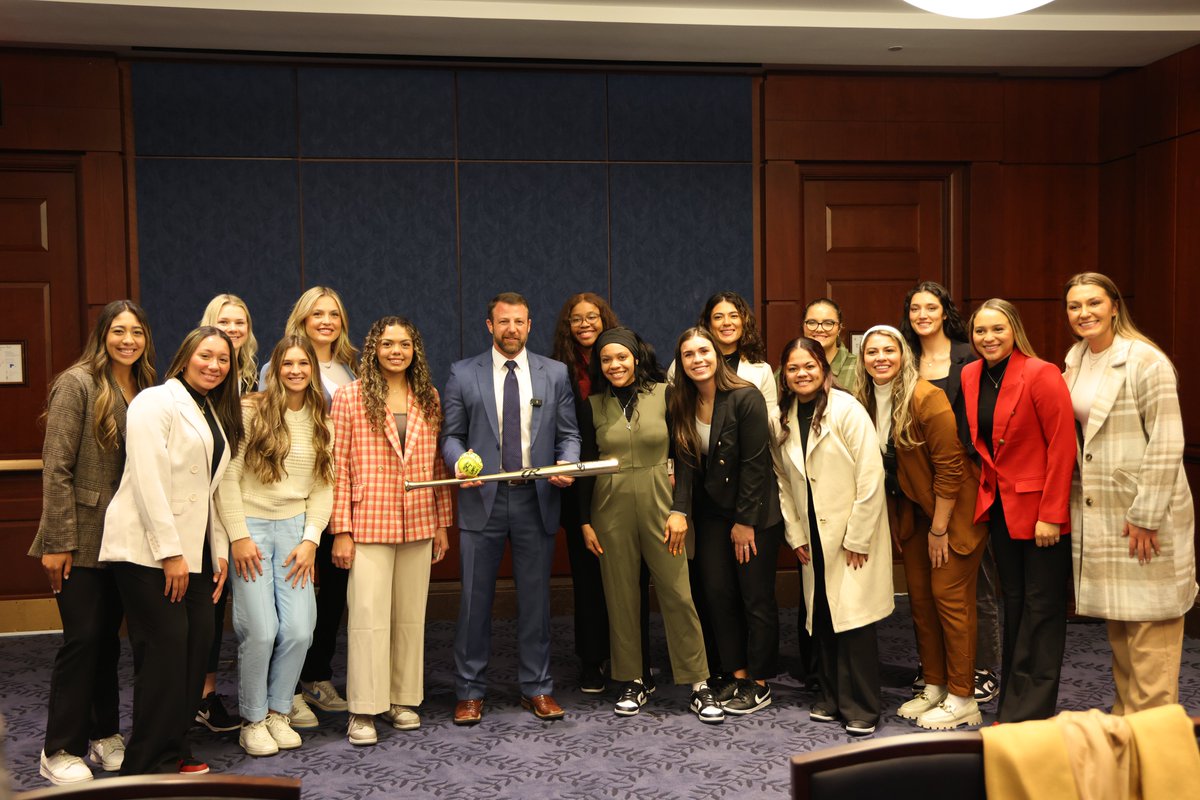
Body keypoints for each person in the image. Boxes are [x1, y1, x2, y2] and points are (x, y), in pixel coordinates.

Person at [99, 326, 243, 775]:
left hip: (195, 553)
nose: (214, 365)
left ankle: (174, 747)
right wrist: (170, 554)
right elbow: (148, 481)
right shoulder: (154, 401)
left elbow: (209, 491)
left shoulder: (210, 410)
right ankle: (145, 763)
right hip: (147, 551)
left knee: (197, 645)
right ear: (184, 357)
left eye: (223, 359)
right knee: (164, 652)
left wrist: (219, 550)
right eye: (206, 355)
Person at [30, 300, 156, 785]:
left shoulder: (146, 386)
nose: (128, 340)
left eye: (137, 332)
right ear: (102, 335)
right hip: (80, 537)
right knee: (82, 640)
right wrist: (57, 541)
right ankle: (59, 747)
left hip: (127, 539)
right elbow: (56, 467)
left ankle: (105, 735)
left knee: (107, 641)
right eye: (119, 331)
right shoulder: (77, 383)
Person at [441, 292, 581, 725]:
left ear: (530, 324)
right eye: (503, 321)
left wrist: (567, 462)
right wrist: (458, 463)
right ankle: (469, 691)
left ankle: (537, 686)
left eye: (519, 321)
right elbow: (451, 436)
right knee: (473, 602)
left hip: (535, 499)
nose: (511, 329)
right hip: (481, 497)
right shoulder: (463, 373)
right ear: (490, 326)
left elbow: (569, 435)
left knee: (536, 601)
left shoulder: (554, 373)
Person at [1062, 273, 1196, 714]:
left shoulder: (1145, 360)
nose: (1084, 313)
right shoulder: (1076, 358)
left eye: (1093, 303)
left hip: (1143, 516)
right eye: (1075, 306)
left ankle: (1155, 743)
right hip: (1103, 513)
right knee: (1122, 634)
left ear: (1115, 306)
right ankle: (1127, 729)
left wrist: (1146, 516)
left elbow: (1167, 441)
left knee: (1151, 633)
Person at [576, 328, 722, 723]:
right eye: (606, 359)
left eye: (621, 357)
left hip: (662, 506)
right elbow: (586, 466)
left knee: (678, 593)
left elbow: (686, 456)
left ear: (636, 358)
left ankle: (699, 683)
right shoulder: (592, 406)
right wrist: (585, 520)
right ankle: (634, 679)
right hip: (609, 509)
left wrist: (680, 510)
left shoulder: (666, 394)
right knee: (621, 596)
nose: (615, 365)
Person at [853, 325, 988, 730]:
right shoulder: (863, 400)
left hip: (951, 513)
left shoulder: (926, 397)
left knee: (950, 599)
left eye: (888, 350)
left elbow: (950, 468)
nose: (880, 358)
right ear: (862, 359)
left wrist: (940, 529)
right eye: (872, 351)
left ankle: (963, 696)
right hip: (914, 514)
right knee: (922, 602)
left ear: (903, 355)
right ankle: (935, 685)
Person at [330, 317, 452, 745]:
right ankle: (364, 708)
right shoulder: (349, 396)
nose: (396, 351)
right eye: (387, 343)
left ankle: (402, 699)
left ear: (415, 350)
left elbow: (438, 464)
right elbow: (336, 465)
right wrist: (341, 529)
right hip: (368, 520)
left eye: (404, 344)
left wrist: (441, 522)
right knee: (367, 618)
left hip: (418, 519)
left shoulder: (428, 396)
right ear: (373, 348)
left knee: (409, 617)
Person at [217, 335, 333, 756]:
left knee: (300, 629)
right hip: (250, 528)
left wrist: (311, 539)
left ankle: (278, 712)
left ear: (313, 370)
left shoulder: (322, 419)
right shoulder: (250, 411)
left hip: (295, 532)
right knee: (261, 630)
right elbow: (227, 477)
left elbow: (324, 487)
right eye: (288, 363)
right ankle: (253, 719)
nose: (296, 371)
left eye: (303, 363)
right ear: (275, 369)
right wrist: (238, 535)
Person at [961, 299, 1074, 723]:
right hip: (999, 509)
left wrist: (1052, 513)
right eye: (980, 331)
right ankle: (1012, 704)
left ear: (1014, 331)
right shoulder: (971, 374)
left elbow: (1062, 446)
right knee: (1015, 605)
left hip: (1041, 511)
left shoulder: (1041, 373)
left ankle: (1033, 710)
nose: (988, 338)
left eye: (998, 329)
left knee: (1042, 610)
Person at [774, 337, 892, 736]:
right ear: (785, 376)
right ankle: (830, 697)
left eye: (809, 366)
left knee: (853, 621)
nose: (802, 374)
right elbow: (781, 481)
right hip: (811, 532)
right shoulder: (783, 416)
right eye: (793, 368)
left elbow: (871, 477)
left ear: (824, 369)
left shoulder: (848, 409)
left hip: (849, 533)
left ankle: (862, 706)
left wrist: (858, 537)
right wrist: (794, 533)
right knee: (822, 616)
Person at [668, 327, 783, 716]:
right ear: (681, 362)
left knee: (755, 597)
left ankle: (760, 682)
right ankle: (737, 674)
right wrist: (679, 509)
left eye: (704, 351)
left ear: (717, 356)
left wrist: (744, 522)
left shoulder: (745, 397)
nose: (697, 359)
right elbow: (685, 463)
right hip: (712, 513)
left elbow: (755, 464)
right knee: (718, 594)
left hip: (753, 513)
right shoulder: (682, 401)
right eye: (689, 354)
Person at [900, 281, 1001, 705]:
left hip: (964, 476)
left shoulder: (968, 356)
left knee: (973, 582)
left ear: (945, 312)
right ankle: (937, 670)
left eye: (930, 307)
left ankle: (981, 668)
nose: (922, 315)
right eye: (915, 309)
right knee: (929, 588)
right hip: (916, 482)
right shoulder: (903, 357)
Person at [269, 287, 358, 727]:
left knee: (336, 590)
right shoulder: (284, 364)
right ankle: (283, 690)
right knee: (292, 597)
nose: (326, 321)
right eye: (317, 313)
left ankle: (316, 676)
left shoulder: (350, 369)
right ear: (301, 319)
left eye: (333, 314)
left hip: (339, 498)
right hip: (292, 502)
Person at [549, 292, 641, 694]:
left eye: (592, 317)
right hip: (580, 482)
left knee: (629, 573)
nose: (584, 324)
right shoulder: (557, 369)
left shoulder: (623, 359)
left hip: (628, 479)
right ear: (567, 326)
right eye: (576, 318)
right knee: (588, 575)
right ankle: (592, 659)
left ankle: (631, 657)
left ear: (605, 320)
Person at [194, 292, 259, 734]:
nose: (233, 329)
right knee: (210, 605)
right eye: (225, 321)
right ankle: (202, 695)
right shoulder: (200, 375)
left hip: (244, 501)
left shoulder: (254, 378)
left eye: (240, 322)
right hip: (201, 508)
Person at [803, 298, 857, 392]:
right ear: (803, 326)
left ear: (839, 328)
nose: (819, 329)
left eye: (828, 323)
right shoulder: (791, 367)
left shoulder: (858, 368)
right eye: (812, 322)